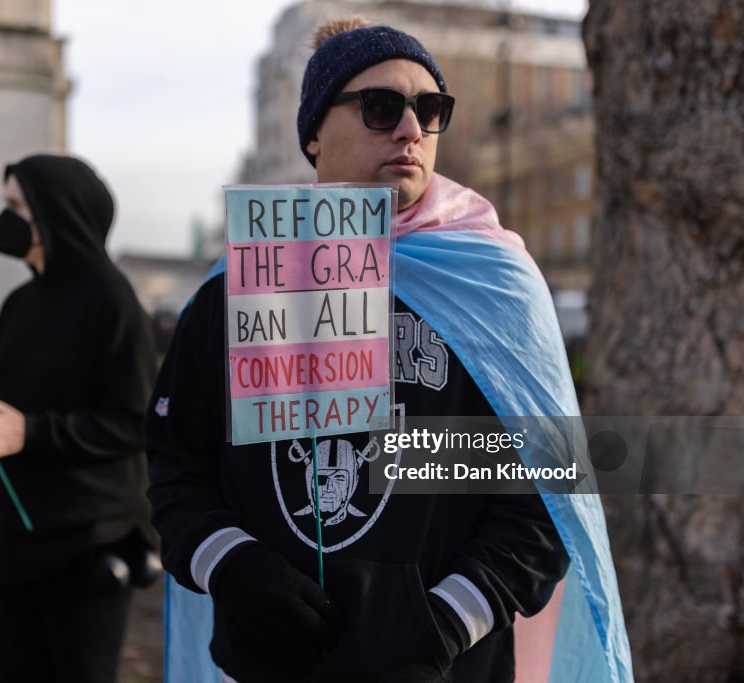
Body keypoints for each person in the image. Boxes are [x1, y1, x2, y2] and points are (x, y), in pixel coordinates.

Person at [146, 18, 632, 683]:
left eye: (430, 110)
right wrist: (232, 563)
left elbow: (545, 493)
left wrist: (442, 621)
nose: (410, 129)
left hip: (440, 668)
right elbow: (178, 467)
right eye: (380, 107)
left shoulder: (494, 283)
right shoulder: (232, 290)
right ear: (314, 132)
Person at [0, 154, 158, 683]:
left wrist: (29, 432)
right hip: (15, 544)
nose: (6, 218)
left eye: (16, 206)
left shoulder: (112, 301)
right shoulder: (19, 303)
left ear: (54, 212)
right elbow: (5, 401)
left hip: (87, 551)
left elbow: (135, 422)